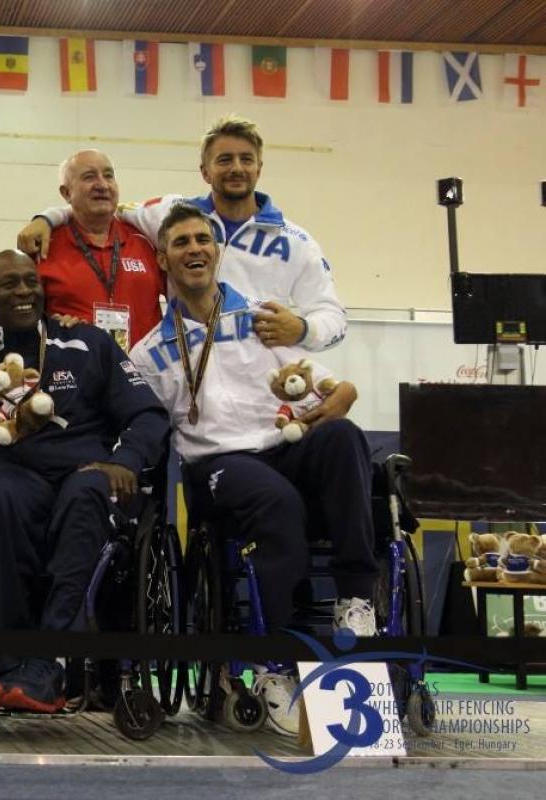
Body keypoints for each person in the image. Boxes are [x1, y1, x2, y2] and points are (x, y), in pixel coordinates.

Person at [128, 203, 376, 734]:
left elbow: (326, 382)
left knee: (343, 437)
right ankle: (272, 664)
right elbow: (147, 426)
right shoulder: (150, 352)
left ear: (217, 252)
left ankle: (355, 597)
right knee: (276, 502)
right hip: (218, 464)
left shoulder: (262, 318)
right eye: (181, 243)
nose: (195, 248)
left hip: (282, 446)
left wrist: (341, 393)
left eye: (203, 239)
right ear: (164, 258)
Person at [0, 250, 170, 714]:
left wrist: (126, 459)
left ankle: (46, 662)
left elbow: (146, 412)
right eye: (9, 284)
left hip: (87, 474)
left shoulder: (89, 342)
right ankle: (10, 667)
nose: (24, 291)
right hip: (16, 476)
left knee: (86, 493)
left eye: (31, 282)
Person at [19, 115, 346, 352]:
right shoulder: (169, 212)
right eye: (224, 160)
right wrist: (47, 219)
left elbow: (333, 317)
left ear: (259, 167)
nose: (236, 168)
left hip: (258, 377)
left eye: (246, 159)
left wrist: (303, 329)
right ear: (205, 171)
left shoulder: (295, 241)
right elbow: (103, 208)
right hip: (181, 372)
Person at [32, 149, 166, 351]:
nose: (102, 185)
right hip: (77, 375)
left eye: (108, 176)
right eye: (89, 177)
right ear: (66, 193)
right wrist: (52, 328)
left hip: (145, 376)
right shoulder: (44, 246)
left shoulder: (146, 239)